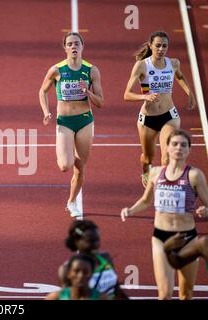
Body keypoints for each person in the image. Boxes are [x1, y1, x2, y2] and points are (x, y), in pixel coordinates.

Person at [121, 130, 208, 299]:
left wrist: (206, 211)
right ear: (167, 147)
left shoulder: (194, 175)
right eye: (174, 144)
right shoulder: (155, 173)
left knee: (186, 293)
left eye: (183, 145)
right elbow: (146, 201)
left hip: (187, 238)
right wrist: (130, 210)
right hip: (160, 237)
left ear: (189, 150)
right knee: (165, 294)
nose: (179, 148)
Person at [39, 32, 104, 217]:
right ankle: (66, 150)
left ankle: (72, 201)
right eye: (70, 44)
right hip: (65, 122)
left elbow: (100, 102)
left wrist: (88, 92)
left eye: (77, 43)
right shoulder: (56, 70)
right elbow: (42, 91)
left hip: (84, 121)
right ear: (65, 48)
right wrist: (46, 111)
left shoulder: (92, 70)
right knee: (65, 165)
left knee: (80, 168)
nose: (74, 46)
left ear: (82, 46)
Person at [123, 30, 196, 188]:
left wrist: (189, 93)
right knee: (148, 158)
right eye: (158, 46)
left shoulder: (173, 63)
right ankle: (145, 170)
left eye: (164, 46)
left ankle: (165, 188)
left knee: (166, 158)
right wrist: (144, 97)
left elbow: (180, 76)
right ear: (150, 45)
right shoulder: (142, 66)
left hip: (169, 115)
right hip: (148, 119)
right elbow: (126, 94)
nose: (161, 49)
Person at [55, 220, 128, 299]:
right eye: (90, 241)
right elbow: (68, 297)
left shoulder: (105, 258)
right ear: (77, 241)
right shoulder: (67, 269)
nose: (95, 245)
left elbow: (116, 289)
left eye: (97, 240)